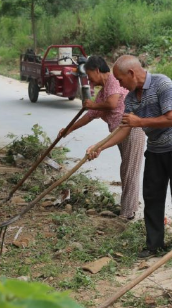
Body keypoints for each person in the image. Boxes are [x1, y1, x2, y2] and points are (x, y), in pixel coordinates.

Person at [86, 55, 172, 258]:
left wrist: (140, 121)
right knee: (152, 196)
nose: (119, 84)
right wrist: (101, 146)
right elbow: (124, 129)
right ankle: (154, 245)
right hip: (155, 150)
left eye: (120, 79)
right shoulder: (129, 98)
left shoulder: (163, 84)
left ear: (131, 73)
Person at [58, 56, 145, 220]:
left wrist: (93, 105)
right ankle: (128, 208)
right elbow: (90, 116)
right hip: (119, 132)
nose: (89, 80)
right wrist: (69, 129)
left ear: (97, 70)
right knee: (126, 169)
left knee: (130, 170)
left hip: (132, 129)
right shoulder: (102, 92)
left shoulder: (113, 80)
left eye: (90, 75)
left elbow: (112, 104)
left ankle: (128, 213)